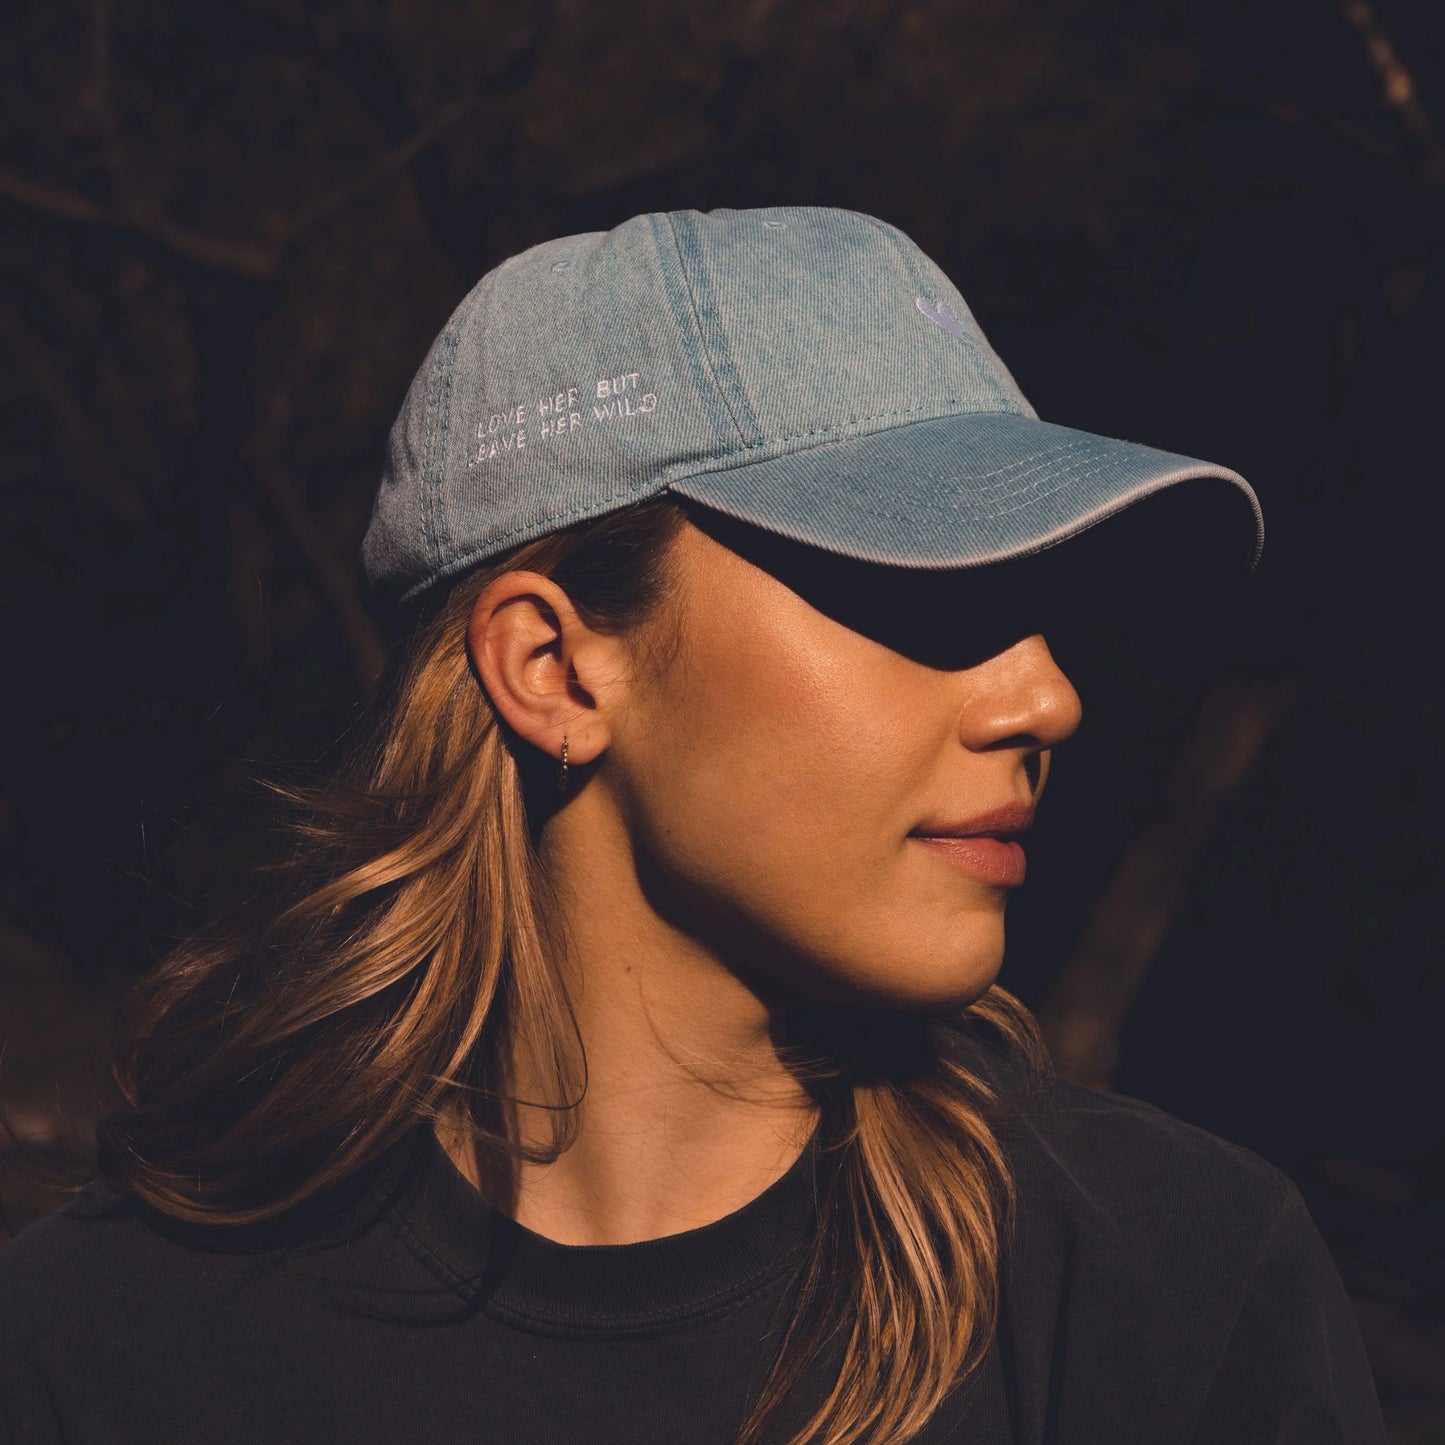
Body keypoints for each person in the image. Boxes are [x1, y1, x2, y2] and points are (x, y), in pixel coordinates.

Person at [0, 206, 1386, 1445]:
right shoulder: (102, 1347)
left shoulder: (1173, 1293)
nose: (1046, 696)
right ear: (554, 667)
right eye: (920, 584)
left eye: (1032, 600)